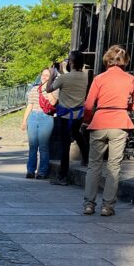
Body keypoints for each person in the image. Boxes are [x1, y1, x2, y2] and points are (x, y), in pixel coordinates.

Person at [82, 45, 134, 217]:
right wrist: (125, 106)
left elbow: (88, 105)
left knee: (94, 165)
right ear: (124, 61)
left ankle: (89, 203)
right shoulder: (129, 79)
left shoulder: (99, 78)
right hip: (119, 122)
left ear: (107, 60)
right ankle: (107, 206)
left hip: (99, 121)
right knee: (114, 166)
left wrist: (87, 120)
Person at [47, 51, 89, 186]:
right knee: (77, 134)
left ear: (71, 62)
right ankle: (86, 157)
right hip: (79, 114)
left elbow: (48, 89)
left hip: (65, 115)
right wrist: (63, 72)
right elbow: (72, 78)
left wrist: (52, 76)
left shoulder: (63, 78)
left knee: (64, 146)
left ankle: (63, 176)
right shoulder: (85, 76)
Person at [21, 67, 57, 179]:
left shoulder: (55, 89)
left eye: (47, 75)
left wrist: (48, 88)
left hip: (46, 117)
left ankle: (42, 172)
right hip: (33, 116)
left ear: (51, 77)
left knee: (43, 146)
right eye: (43, 75)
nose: (44, 77)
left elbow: (53, 102)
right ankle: (30, 171)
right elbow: (30, 105)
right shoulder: (34, 89)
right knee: (32, 146)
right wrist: (24, 121)